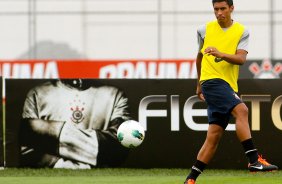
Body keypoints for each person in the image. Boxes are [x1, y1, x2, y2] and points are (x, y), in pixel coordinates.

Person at [184, 0, 278, 183]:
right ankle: (253, 160)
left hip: (228, 85)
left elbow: (241, 59)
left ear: (231, 8)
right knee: (242, 110)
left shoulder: (242, 31)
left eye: (222, 9)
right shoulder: (204, 30)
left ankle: (191, 179)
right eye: (216, 9)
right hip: (211, 81)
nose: (219, 13)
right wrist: (198, 84)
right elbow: (200, 57)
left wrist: (222, 54)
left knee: (214, 136)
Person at [20, 79, 131, 169]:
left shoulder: (114, 94)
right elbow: (27, 151)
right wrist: (68, 167)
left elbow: (120, 145)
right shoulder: (38, 94)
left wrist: (46, 130)